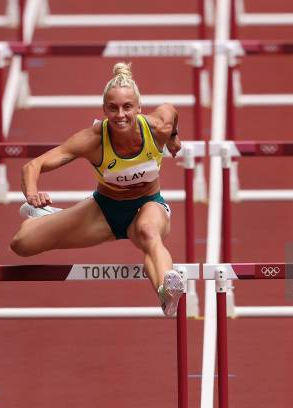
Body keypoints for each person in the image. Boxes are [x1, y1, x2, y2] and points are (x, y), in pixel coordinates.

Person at [10, 62, 184, 317]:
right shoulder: (92, 139)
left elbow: (170, 111)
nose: (120, 115)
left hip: (149, 205)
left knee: (148, 232)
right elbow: (33, 166)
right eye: (112, 108)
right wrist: (33, 193)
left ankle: (166, 292)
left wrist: (173, 137)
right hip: (104, 210)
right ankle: (44, 215)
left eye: (127, 107)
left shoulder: (158, 128)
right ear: (104, 109)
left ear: (138, 108)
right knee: (22, 244)